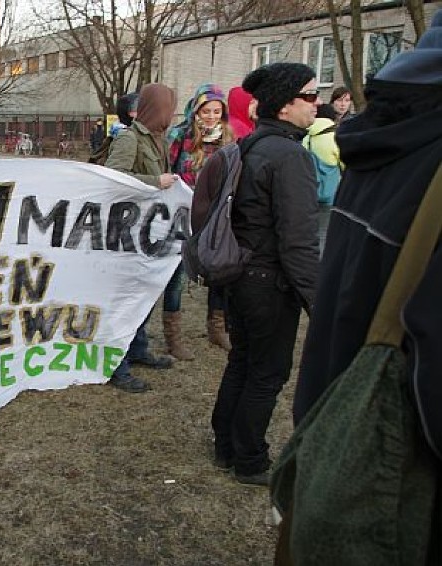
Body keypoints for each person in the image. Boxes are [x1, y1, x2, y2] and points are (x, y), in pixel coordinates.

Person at [293, 13, 442, 562]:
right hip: (392, 478)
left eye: (315, 93)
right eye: (304, 95)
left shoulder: (383, 144)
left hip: (337, 424)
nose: (314, 102)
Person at [210, 63, 320, 486]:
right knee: (267, 372)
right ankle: (250, 460)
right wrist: (319, 303)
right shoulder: (290, 155)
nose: (317, 104)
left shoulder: (252, 145)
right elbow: (298, 241)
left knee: (243, 361)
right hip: (267, 283)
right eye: (310, 96)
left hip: (240, 276)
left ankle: (226, 447)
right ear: (287, 104)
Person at [103, 83, 178, 393]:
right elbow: (111, 177)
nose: (171, 115)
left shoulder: (158, 139)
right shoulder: (129, 139)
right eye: (167, 109)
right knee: (124, 299)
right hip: (127, 232)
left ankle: (137, 350)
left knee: (143, 294)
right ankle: (116, 366)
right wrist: (154, 181)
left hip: (148, 231)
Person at [167, 84, 236, 356]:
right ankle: (173, 336)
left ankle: (217, 328)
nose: (211, 117)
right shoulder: (179, 136)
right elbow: (167, 171)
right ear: (196, 110)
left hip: (216, 216)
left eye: (217, 111)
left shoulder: (228, 139)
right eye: (206, 111)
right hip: (183, 216)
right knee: (177, 275)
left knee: (218, 272)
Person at [302, 103, 342, 253]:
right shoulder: (334, 137)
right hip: (330, 195)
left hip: (309, 193)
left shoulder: (305, 136)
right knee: (326, 234)